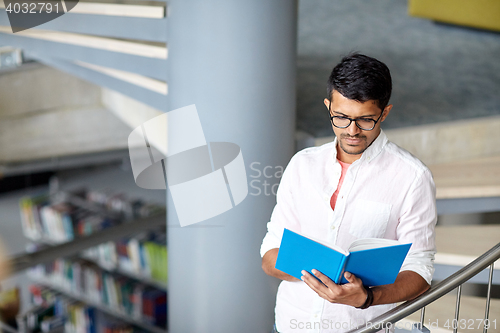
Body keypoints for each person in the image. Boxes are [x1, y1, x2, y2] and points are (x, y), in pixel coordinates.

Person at [260, 53, 437, 333]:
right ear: (328, 106)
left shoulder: (412, 177)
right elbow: (270, 253)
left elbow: (420, 272)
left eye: (366, 120)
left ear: (385, 113)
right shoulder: (303, 165)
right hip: (290, 324)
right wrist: (315, 272)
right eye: (341, 117)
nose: (352, 131)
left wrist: (367, 298)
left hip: (364, 327)